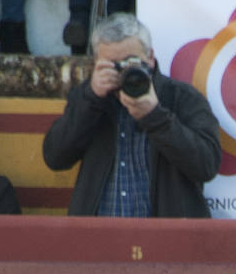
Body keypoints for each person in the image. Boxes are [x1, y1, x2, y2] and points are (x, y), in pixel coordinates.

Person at [42, 12, 221, 217]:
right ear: (96, 64)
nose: (122, 72)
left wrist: (155, 116)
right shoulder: (87, 97)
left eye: (130, 62)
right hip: (101, 239)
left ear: (150, 58)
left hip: (166, 239)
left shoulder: (182, 97)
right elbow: (55, 158)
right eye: (113, 65)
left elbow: (207, 165)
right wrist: (91, 100)